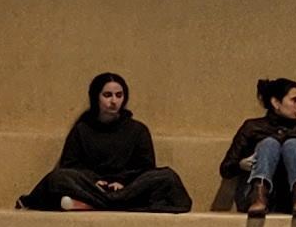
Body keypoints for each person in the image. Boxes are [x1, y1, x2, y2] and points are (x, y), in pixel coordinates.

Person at [19, 74, 189, 213]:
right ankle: (110, 205)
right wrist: (94, 181)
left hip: (128, 189)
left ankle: (90, 206)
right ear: (96, 98)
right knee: (58, 178)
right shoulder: (82, 129)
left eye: (119, 95)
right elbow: (70, 164)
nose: (114, 101)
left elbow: (145, 166)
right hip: (91, 188)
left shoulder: (138, 130)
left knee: (166, 177)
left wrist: (124, 182)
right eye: (107, 95)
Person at [219, 77, 296, 220]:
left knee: (292, 144)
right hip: (251, 197)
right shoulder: (252, 127)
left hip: (291, 196)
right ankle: (259, 195)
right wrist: (242, 164)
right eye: (294, 100)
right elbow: (226, 169)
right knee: (269, 144)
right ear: (276, 103)